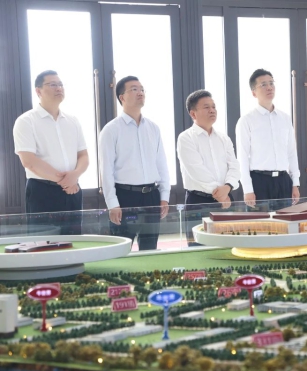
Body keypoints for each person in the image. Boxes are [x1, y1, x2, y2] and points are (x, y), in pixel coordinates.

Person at [99, 76, 170, 250]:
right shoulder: (111, 129)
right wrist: (112, 204)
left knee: (150, 249)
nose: (140, 93)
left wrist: (164, 197)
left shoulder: (153, 128)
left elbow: (161, 164)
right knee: (121, 250)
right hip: (125, 196)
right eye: (134, 89)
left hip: (151, 196)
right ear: (122, 97)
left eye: (142, 89)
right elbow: (106, 170)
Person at [13, 70, 88, 235]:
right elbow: (29, 161)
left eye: (60, 85)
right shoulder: (26, 121)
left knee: (74, 241)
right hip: (42, 190)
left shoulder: (72, 121)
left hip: (73, 189)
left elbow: (83, 155)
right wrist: (66, 181)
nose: (59, 88)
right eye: (53, 84)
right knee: (44, 242)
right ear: (38, 91)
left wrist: (75, 175)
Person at [177, 90, 240, 246]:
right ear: (193, 113)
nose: (212, 110)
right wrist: (221, 195)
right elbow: (196, 170)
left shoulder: (224, 138)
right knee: (198, 249)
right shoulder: (186, 138)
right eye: (206, 107)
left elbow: (234, 166)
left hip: (226, 198)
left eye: (213, 106)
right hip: (199, 201)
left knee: (228, 247)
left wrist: (228, 187)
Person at [236, 68, 300, 211]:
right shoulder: (246, 120)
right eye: (263, 84)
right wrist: (247, 189)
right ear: (254, 92)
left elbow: (291, 152)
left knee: (286, 222)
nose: (269, 87)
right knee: (261, 223)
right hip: (259, 182)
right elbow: (242, 157)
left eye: (271, 83)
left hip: (283, 181)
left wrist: (295, 183)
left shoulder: (285, 118)